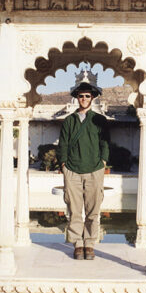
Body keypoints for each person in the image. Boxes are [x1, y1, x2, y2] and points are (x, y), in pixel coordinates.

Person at [58, 81, 109, 260]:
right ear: (77, 98)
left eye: (87, 96)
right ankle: (77, 243)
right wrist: (63, 164)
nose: (84, 99)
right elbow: (63, 144)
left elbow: (105, 143)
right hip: (72, 169)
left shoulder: (100, 120)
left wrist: (103, 162)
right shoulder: (69, 121)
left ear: (92, 98)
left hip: (94, 169)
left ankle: (89, 242)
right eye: (81, 96)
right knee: (74, 208)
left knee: (93, 209)